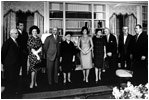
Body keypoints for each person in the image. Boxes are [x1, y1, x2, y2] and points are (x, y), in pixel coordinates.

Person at [1, 29, 20, 95]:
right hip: (9, 65)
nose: (17, 34)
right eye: (16, 33)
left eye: (17, 33)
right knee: (10, 79)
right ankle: (10, 94)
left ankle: (14, 92)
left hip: (15, 64)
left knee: (15, 78)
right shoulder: (7, 42)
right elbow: (3, 54)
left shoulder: (16, 41)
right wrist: (3, 63)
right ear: (11, 34)